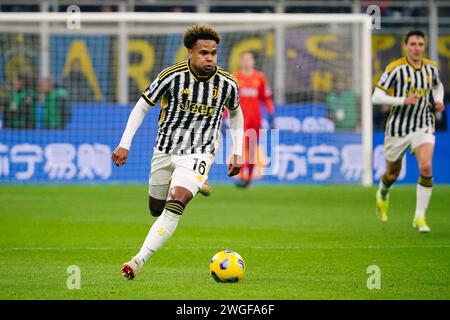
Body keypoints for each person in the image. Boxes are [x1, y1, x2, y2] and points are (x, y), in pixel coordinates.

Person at [112, 25, 244, 279]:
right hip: (165, 148)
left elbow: (236, 112)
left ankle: (138, 260)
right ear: (190, 53)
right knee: (155, 208)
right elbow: (142, 107)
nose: (210, 58)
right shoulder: (171, 76)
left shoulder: (227, 83)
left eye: (214, 53)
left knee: (176, 203)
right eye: (204, 52)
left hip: (200, 150)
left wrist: (238, 150)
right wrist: (124, 143)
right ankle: (195, 182)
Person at [372, 30, 445, 233]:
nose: (416, 48)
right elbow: (376, 97)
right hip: (398, 128)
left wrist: (438, 100)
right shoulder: (395, 69)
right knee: (392, 173)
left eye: (420, 44)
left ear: (424, 46)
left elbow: (438, 87)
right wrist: (402, 100)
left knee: (426, 167)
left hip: (423, 123)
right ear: (405, 46)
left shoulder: (431, 69)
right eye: (412, 44)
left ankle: (419, 217)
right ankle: (383, 193)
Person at [230, 51, 275, 188]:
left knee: (252, 149)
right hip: (240, 120)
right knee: (241, 147)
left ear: (253, 62)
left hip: (256, 120)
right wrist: (225, 117)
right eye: (244, 59)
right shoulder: (235, 77)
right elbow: (229, 100)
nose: (247, 62)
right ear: (240, 62)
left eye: (249, 59)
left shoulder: (259, 78)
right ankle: (243, 176)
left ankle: (248, 178)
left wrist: (271, 115)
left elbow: (266, 98)